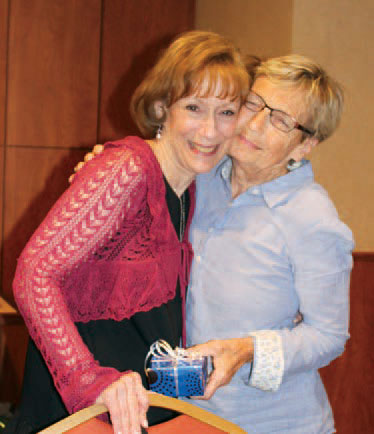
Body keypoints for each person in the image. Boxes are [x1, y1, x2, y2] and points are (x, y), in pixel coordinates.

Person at [6, 30, 249, 434]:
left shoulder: (190, 184)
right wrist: (89, 381)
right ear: (161, 108)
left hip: (137, 412)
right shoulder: (127, 169)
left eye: (225, 112)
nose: (210, 131)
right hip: (82, 414)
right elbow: (33, 275)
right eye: (193, 108)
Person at [185, 54, 353, 433]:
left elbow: (328, 335)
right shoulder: (203, 180)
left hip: (272, 423)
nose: (255, 125)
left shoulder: (312, 218)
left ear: (304, 145)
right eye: (252, 104)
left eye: (280, 120)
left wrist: (246, 349)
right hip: (190, 418)